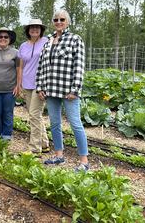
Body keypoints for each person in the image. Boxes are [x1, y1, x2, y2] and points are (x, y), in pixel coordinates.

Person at [36, 9, 89, 172]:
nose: (59, 22)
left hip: (68, 91)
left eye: (62, 19)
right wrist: (40, 87)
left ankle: (84, 161)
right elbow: (41, 66)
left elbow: (79, 67)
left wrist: (75, 89)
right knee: (55, 123)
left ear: (68, 22)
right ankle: (59, 155)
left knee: (75, 124)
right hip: (51, 90)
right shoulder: (48, 41)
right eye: (56, 19)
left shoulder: (75, 39)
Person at [17, 19, 50, 154]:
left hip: (40, 84)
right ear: (28, 30)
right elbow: (20, 67)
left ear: (41, 29)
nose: (34, 29)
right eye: (32, 27)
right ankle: (44, 143)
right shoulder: (23, 46)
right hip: (26, 84)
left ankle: (34, 148)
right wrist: (18, 84)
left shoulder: (47, 42)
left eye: (37, 27)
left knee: (34, 114)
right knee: (34, 114)